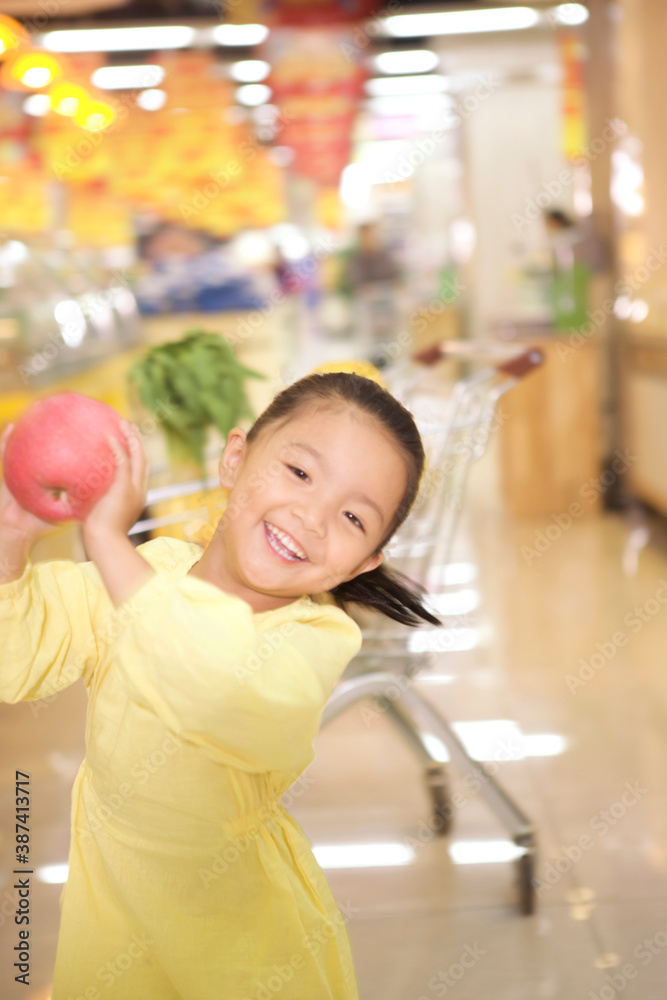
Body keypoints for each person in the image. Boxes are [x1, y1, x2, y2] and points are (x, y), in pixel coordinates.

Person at [0, 371, 439, 1000]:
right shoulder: (151, 570)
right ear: (236, 457)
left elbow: (213, 684)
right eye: (300, 472)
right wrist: (11, 538)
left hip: (242, 948)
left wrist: (106, 540)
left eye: (351, 516)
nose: (310, 517)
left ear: (364, 561)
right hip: (112, 923)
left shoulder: (315, 635)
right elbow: (17, 655)